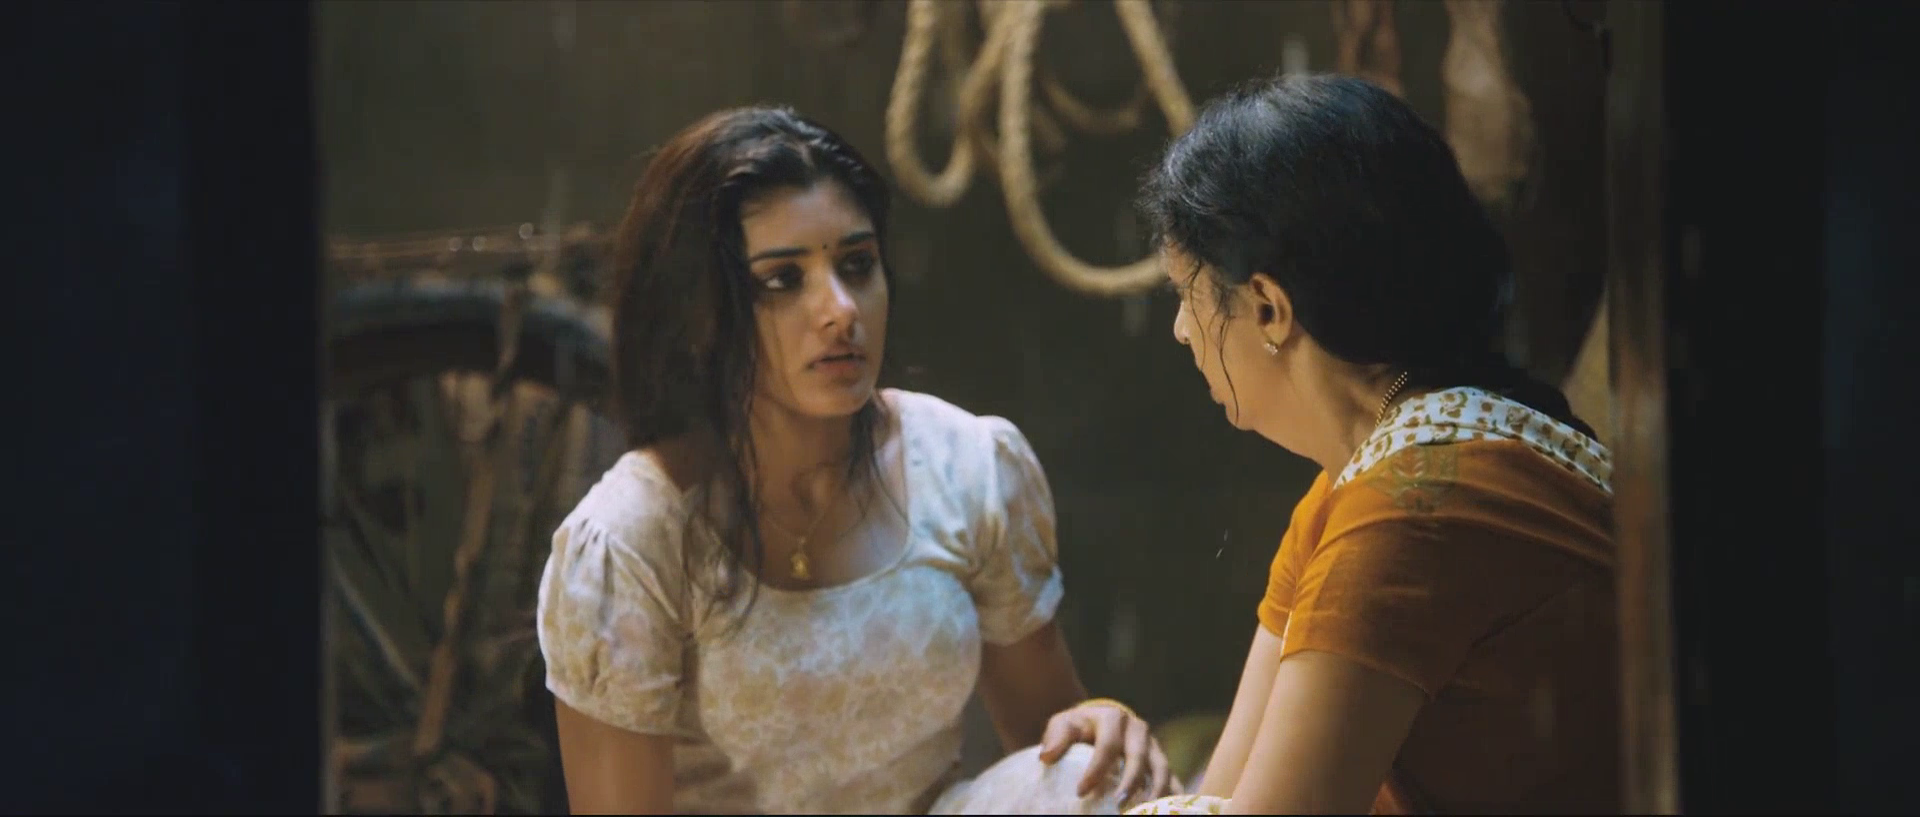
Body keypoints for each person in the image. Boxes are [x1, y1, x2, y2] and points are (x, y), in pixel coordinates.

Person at [535, 105, 1175, 815]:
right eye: (783, 280)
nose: (841, 309)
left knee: (1099, 778)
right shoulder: (631, 542)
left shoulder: (962, 465)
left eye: (857, 264)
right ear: (699, 315)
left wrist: (1100, 726)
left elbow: (1049, 743)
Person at [1124, 74, 1619, 815]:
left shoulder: (1403, 511)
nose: (1179, 330)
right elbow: (1226, 788)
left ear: (1268, 307)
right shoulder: (1363, 483)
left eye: (1184, 295)